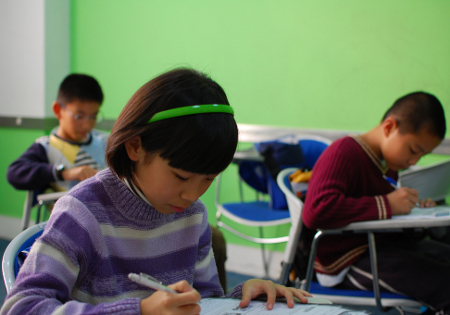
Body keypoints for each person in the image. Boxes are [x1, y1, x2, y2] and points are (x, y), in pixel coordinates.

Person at [1, 68, 311, 315]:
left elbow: (203, 301)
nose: (193, 195)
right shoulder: (82, 213)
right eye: (180, 176)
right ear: (135, 146)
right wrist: (139, 311)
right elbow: (21, 306)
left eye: (208, 179)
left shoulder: (191, 216)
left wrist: (242, 298)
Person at [302, 91, 450, 314]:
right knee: (444, 286)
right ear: (389, 127)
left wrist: (417, 213)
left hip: (385, 247)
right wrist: (387, 204)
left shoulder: (388, 164)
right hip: (348, 261)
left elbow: (379, 216)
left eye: (421, 156)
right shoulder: (344, 152)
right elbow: (316, 211)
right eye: (413, 150)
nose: (413, 161)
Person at [7, 73, 107, 193]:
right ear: (58, 110)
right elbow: (14, 173)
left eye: (93, 116)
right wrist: (65, 173)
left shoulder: (105, 143)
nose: (87, 124)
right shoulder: (46, 147)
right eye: (79, 116)